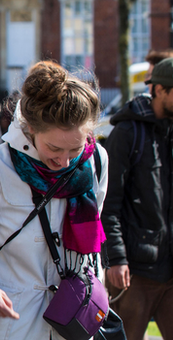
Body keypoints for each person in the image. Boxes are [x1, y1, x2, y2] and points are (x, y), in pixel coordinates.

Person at [0, 61, 108, 339]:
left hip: (72, 322)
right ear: (31, 129)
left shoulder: (97, 159)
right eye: (54, 148)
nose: (64, 161)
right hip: (8, 324)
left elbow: (93, 237)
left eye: (75, 148)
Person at [102, 56, 173, 339]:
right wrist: (116, 259)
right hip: (134, 273)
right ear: (158, 90)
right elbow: (109, 203)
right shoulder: (127, 133)